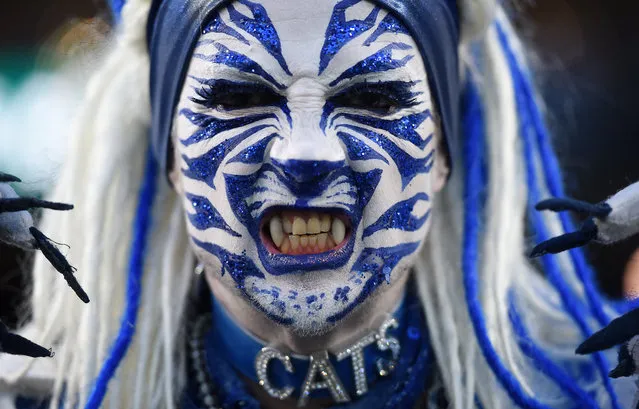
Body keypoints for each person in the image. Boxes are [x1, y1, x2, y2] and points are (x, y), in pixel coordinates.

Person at [0, 0, 637, 408]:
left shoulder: (598, 390)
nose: (307, 155)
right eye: (237, 98)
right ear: (169, 155)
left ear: (444, 154)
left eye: (376, 101)